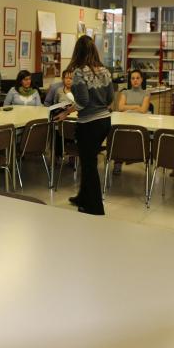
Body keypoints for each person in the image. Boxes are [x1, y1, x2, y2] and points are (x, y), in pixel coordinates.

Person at [54, 35, 114, 215]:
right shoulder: (105, 70)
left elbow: (82, 102)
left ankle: (95, 207)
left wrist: (65, 113)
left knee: (88, 164)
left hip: (89, 124)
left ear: (77, 51)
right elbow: (111, 98)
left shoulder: (80, 72)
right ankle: (83, 196)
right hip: (104, 121)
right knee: (90, 160)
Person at [113, 69, 151, 174]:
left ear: (142, 80)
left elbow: (143, 110)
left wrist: (128, 108)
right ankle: (118, 161)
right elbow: (120, 107)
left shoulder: (146, 93)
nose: (135, 80)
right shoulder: (125, 92)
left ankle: (132, 156)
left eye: (137, 78)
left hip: (140, 123)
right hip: (125, 121)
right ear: (130, 80)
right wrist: (136, 106)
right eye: (133, 78)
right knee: (118, 134)